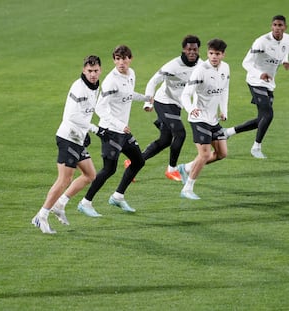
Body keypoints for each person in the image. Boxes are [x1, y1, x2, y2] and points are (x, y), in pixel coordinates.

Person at [31, 55, 102, 234]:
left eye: (95, 71)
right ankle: (41, 216)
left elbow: (86, 112)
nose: (93, 74)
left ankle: (60, 204)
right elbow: (72, 116)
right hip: (67, 137)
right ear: (83, 70)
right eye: (89, 71)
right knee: (64, 179)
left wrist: (85, 132)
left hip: (78, 138)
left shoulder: (95, 86)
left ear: (100, 70)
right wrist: (94, 129)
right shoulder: (78, 87)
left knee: (90, 175)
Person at [77, 45, 149, 216]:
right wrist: (119, 125)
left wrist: (145, 98)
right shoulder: (111, 81)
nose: (120, 62)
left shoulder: (131, 74)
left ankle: (117, 196)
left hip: (122, 131)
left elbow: (128, 94)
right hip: (110, 131)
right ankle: (85, 202)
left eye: (123, 58)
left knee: (138, 161)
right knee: (109, 169)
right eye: (117, 59)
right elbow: (100, 109)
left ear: (130, 59)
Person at [223, 15, 289, 158]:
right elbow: (246, 62)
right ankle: (256, 147)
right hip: (255, 80)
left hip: (269, 83)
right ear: (271, 26)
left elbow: (286, 51)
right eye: (275, 25)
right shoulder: (261, 42)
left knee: (262, 119)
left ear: (285, 27)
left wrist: (286, 61)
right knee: (268, 114)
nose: (277, 28)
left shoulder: (287, 39)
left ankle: (228, 132)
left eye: (280, 25)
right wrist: (259, 74)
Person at [142, 35, 202, 181]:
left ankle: (134, 161)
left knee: (165, 140)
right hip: (163, 101)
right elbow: (153, 81)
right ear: (184, 50)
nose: (192, 52)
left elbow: (199, 89)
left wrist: (195, 108)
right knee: (180, 133)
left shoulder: (201, 66)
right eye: (189, 49)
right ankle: (172, 169)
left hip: (178, 105)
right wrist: (148, 102)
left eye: (195, 49)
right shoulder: (173, 66)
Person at [178, 39, 229, 200]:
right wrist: (191, 109)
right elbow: (186, 93)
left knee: (222, 154)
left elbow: (224, 89)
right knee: (205, 155)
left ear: (223, 55)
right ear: (207, 53)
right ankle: (188, 188)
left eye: (217, 54)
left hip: (213, 119)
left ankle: (185, 168)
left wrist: (224, 110)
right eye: (211, 53)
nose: (214, 57)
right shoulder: (201, 70)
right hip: (199, 118)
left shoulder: (226, 68)